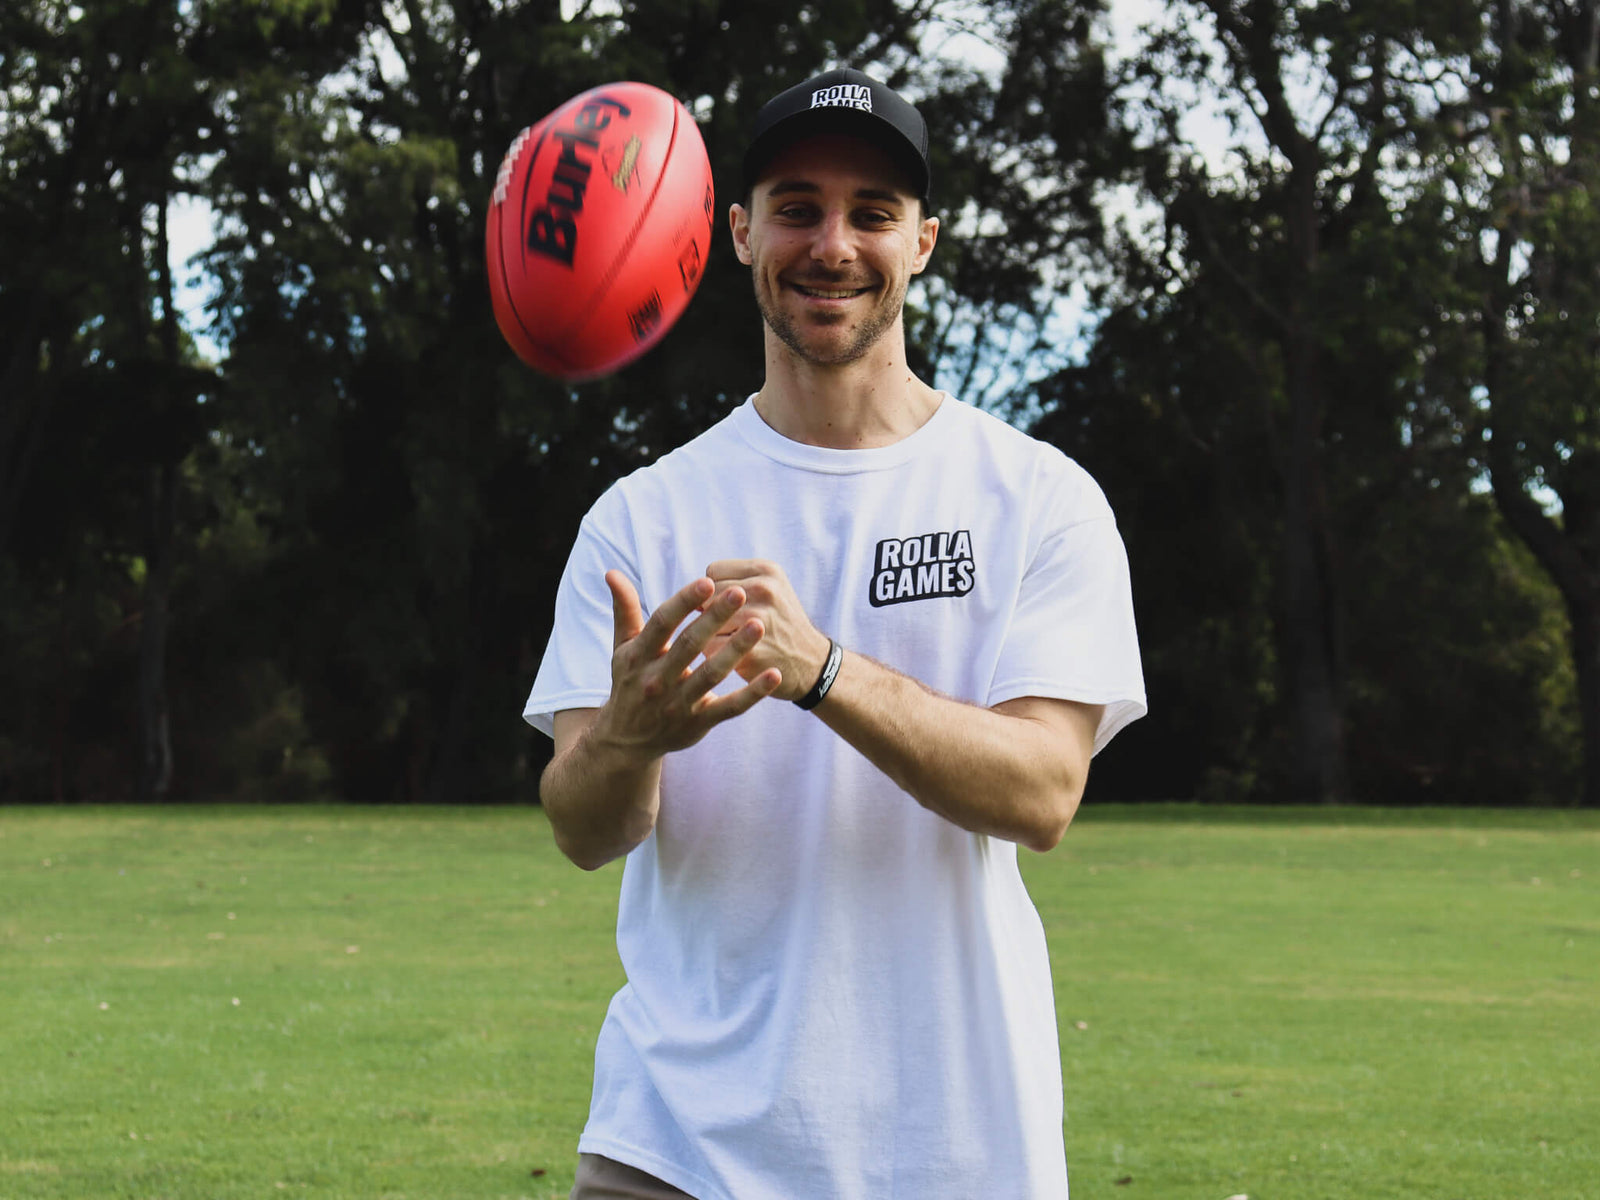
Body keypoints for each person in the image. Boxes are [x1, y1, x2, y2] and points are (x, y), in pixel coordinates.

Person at [525, 66, 1146, 1200]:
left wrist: (823, 674)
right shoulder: (643, 518)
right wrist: (628, 737)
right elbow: (581, 828)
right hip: (675, 1148)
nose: (832, 245)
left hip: (956, 1150)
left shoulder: (1036, 498)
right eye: (798, 207)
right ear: (736, 233)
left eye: (872, 214)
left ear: (923, 243)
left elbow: (1044, 793)